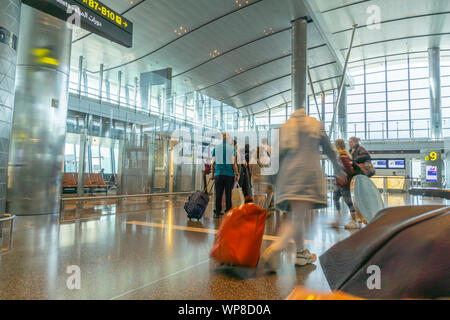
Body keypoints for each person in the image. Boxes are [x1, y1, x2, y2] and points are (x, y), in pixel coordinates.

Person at [260, 109, 346, 271]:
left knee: (296, 215)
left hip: (288, 177)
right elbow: (329, 150)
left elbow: (275, 157)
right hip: (307, 176)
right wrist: (338, 170)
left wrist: (270, 181)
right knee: (297, 217)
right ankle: (277, 247)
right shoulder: (315, 125)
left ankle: (300, 253)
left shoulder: (284, 128)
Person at [330, 139, 360, 229]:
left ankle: (355, 221)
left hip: (344, 183)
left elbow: (349, 169)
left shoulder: (343, 156)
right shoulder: (341, 155)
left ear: (336, 146)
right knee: (335, 198)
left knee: (349, 202)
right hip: (338, 183)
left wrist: (344, 176)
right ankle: (339, 218)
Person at [211, 133, 240, 218]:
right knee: (228, 194)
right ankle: (228, 211)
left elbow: (213, 163)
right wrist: (237, 172)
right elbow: (233, 163)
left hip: (218, 174)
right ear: (228, 139)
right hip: (229, 175)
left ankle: (217, 212)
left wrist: (213, 174)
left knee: (218, 194)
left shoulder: (216, 148)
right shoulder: (231, 149)